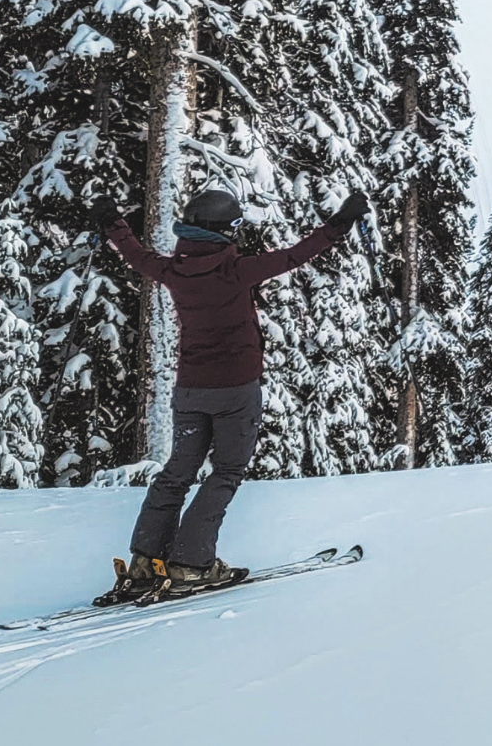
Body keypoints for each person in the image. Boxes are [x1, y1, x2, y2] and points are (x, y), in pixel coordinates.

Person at [90, 184, 371, 602]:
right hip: (236, 391)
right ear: (226, 231)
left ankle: (145, 563)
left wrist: (112, 221)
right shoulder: (235, 271)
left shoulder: (173, 270)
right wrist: (343, 220)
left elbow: (135, 253)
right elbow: (298, 253)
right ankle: (190, 563)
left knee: (175, 475)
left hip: (190, 392)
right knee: (226, 473)